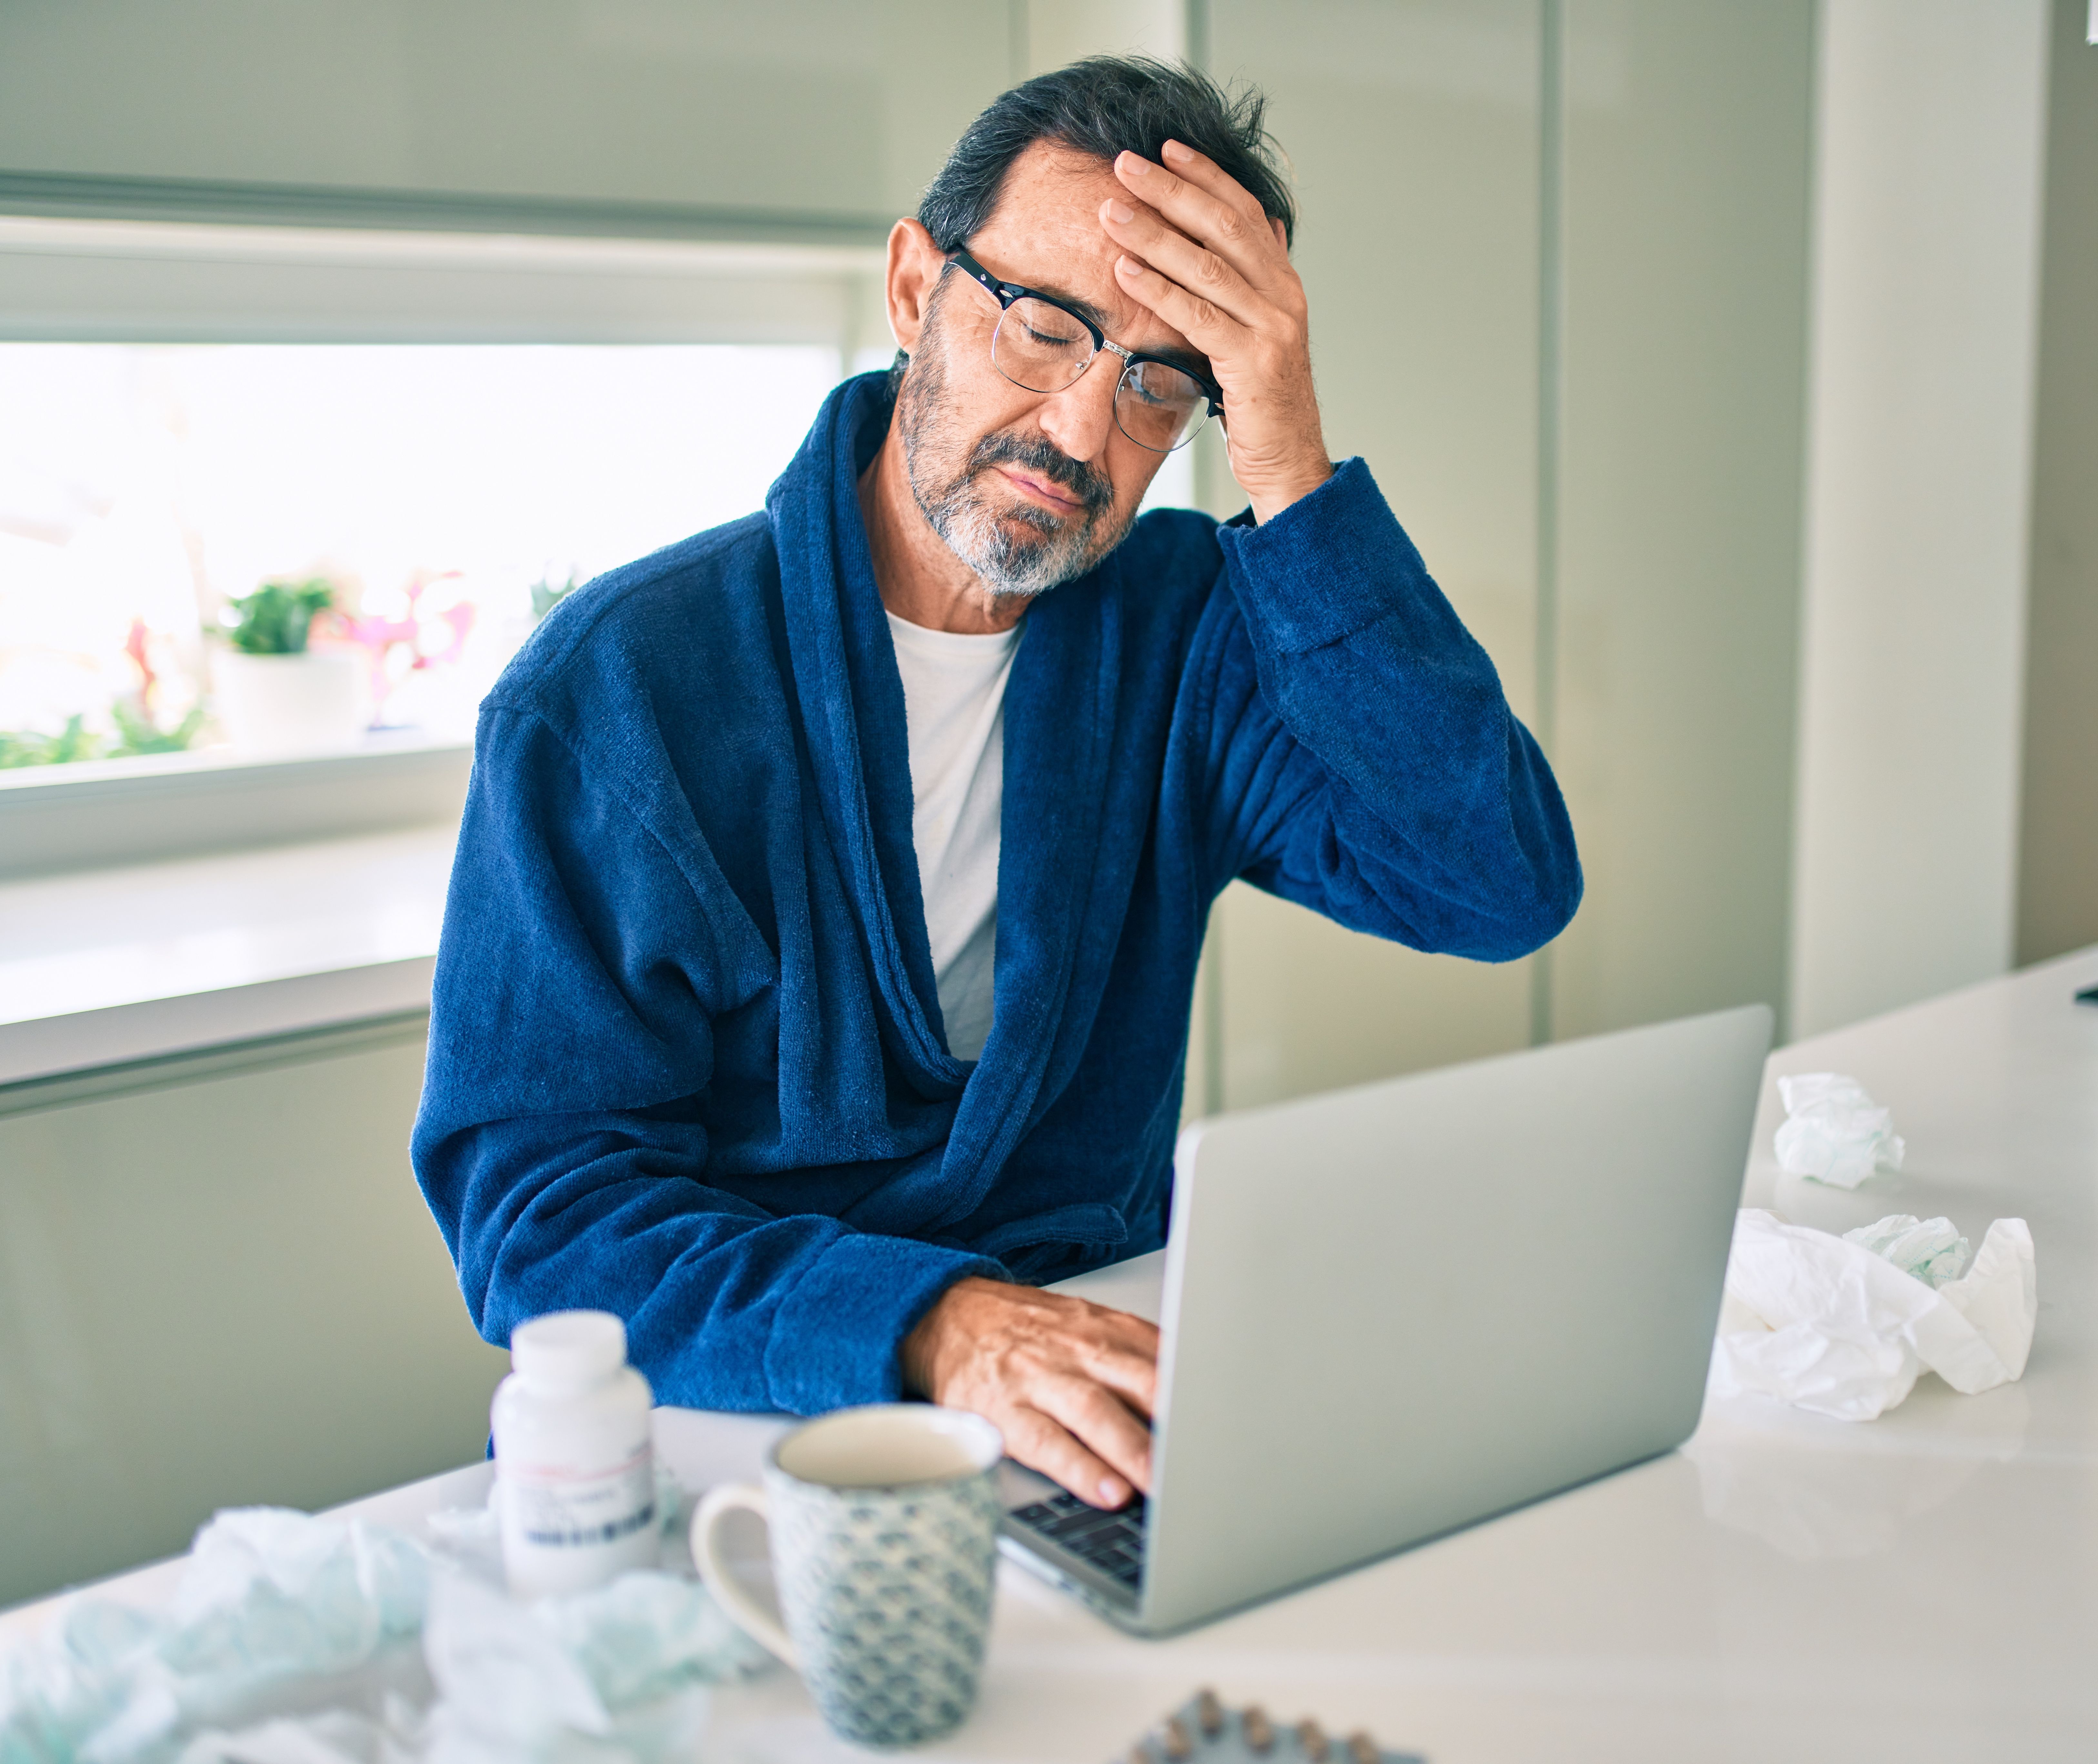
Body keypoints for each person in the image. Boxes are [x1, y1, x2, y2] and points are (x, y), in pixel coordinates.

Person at [411, 57, 1580, 1515]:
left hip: (1092, 1406)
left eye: (1162, 380)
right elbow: (537, 1218)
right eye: (1044, 328)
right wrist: (940, 1326)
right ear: (916, 289)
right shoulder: (622, 688)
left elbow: (1493, 885)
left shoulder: (1186, 631)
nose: (1083, 432)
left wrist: (1288, 454)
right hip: (750, 1428)